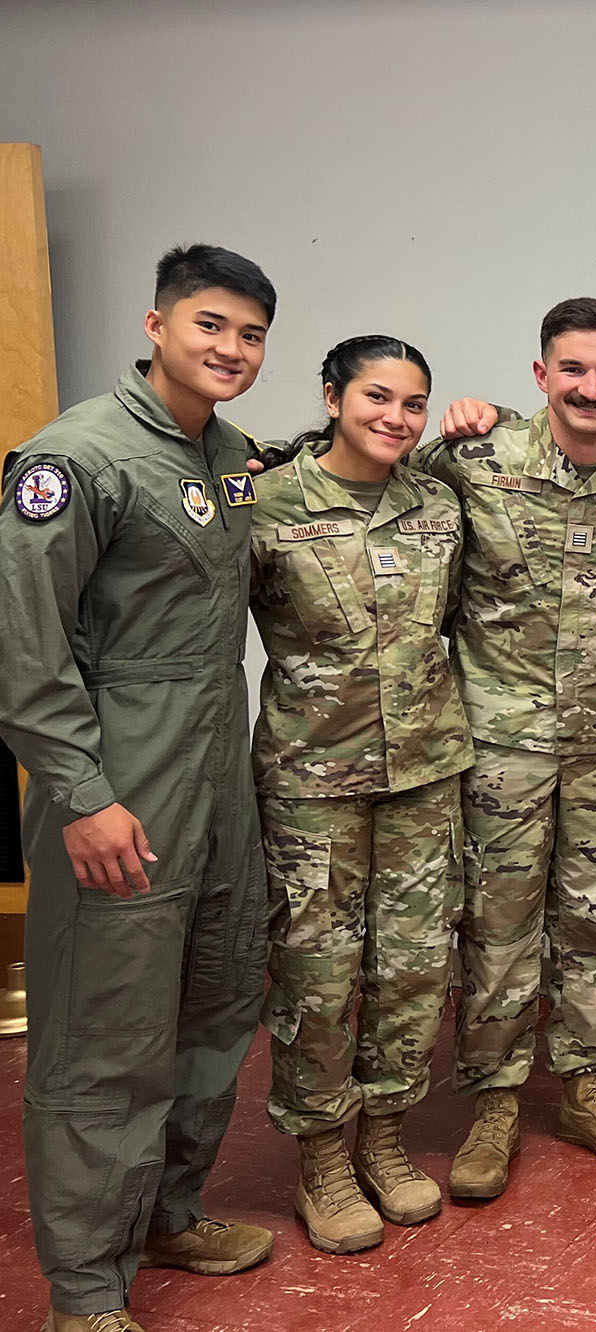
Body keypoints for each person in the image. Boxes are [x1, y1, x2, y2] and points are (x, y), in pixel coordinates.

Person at [0, 244, 279, 1332]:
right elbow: (26, 651)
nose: (232, 349)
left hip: (217, 770)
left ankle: (169, 1211)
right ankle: (83, 1290)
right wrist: (80, 792)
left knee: (214, 1001)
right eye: (211, 325)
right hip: (120, 778)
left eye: (251, 335)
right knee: (103, 1037)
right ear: (157, 325)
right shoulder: (73, 458)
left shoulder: (235, 456)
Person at [421, 299, 596, 1197]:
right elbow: (371, 484)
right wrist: (463, 412)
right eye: (572, 369)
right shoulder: (473, 463)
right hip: (501, 750)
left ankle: (583, 1085)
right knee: (495, 930)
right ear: (541, 376)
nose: (591, 388)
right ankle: (494, 1104)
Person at [247, 337, 470, 1254]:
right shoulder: (266, 502)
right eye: (378, 397)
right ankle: (323, 1158)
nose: (397, 418)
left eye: (414, 404)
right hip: (311, 781)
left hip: (424, 772)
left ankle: (385, 1137)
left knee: (414, 968)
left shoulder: (439, 506)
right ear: (333, 396)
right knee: (317, 974)